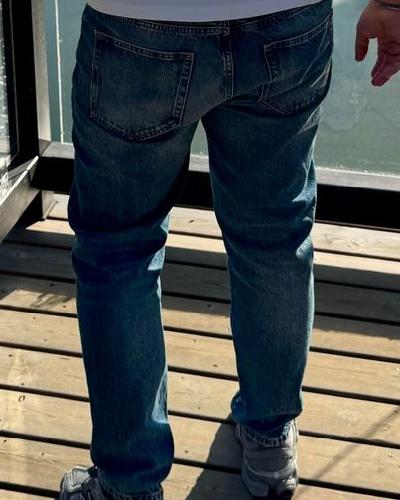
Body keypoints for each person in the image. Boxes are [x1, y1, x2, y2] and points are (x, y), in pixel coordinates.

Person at [59, 0, 400, 498]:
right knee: (274, 236)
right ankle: (270, 442)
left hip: (136, 25)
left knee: (119, 251)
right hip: (287, 19)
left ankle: (128, 485)